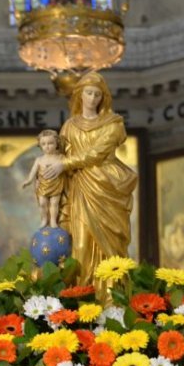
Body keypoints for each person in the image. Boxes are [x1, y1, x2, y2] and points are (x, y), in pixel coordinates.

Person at [39, 70, 136, 285]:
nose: (92, 98)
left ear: (103, 98)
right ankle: (83, 299)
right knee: (79, 247)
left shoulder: (113, 124)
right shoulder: (69, 126)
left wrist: (64, 164)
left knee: (112, 249)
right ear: (80, 95)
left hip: (106, 187)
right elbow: (58, 156)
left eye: (97, 95)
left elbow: (97, 153)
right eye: (89, 93)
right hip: (78, 189)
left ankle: (112, 298)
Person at [22, 129, 67, 228]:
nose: (47, 146)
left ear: (56, 143)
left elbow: (67, 168)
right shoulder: (39, 160)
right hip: (43, 186)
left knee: (54, 203)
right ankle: (44, 219)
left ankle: (53, 221)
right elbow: (33, 172)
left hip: (56, 184)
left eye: (50, 143)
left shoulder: (61, 157)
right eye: (43, 144)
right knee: (42, 203)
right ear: (40, 145)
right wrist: (28, 181)